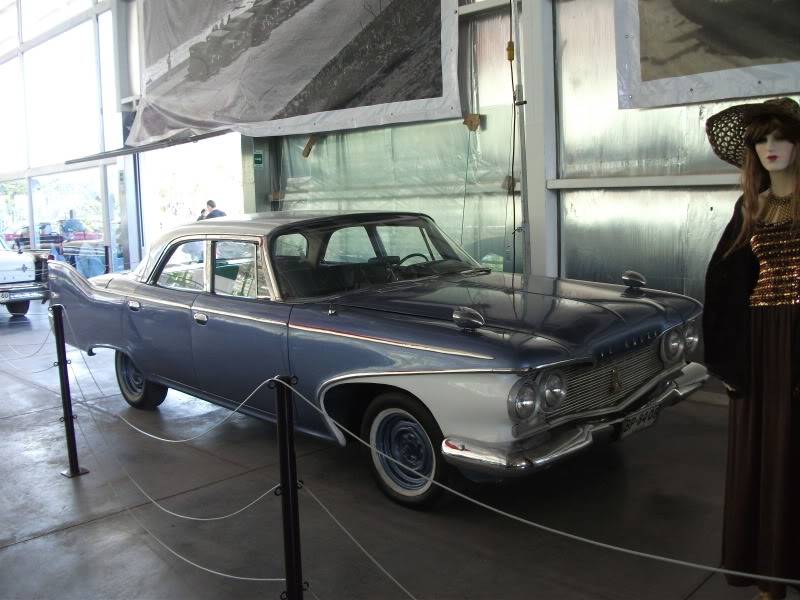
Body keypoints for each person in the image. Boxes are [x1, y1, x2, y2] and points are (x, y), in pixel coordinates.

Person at [704, 97, 800, 600]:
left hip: (799, 338)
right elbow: (725, 282)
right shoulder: (751, 207)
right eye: (761, 140)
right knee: (763, 449)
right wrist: (727, 356)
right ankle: (769, 573)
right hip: (760, 344)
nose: (770, 148)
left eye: (779, 137)